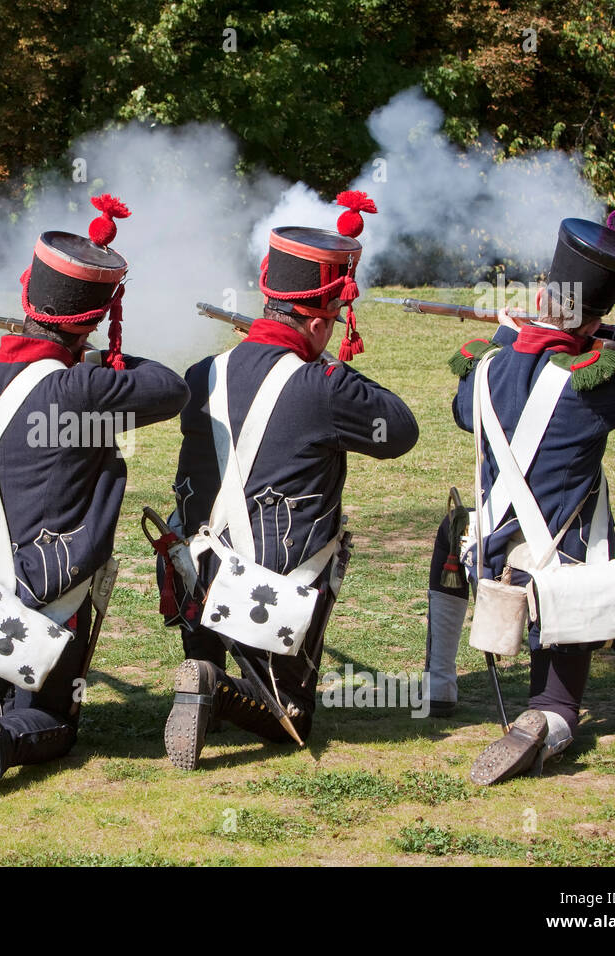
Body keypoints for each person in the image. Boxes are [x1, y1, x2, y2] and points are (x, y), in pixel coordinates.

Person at [422, 212, 615, 784]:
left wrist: (512, 332)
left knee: (453, 527)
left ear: (544, 293)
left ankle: (437, 682)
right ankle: (547, 720)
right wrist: (600, 332)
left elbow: (460, 411)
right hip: (558, 578)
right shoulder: (588, 385)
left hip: (488, 561)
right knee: (560, 692)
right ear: (595, 314)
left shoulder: (486, 372)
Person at [0, 196, 189, 801]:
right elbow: (168, 387)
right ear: (95, 317)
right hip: (44, 584)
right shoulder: (81, 388)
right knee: (57, 721)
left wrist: (82, 355)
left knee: (19, 677)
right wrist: (99, 359)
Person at [158, 193, 418, 768]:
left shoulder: (205, 373)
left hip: (196, 580)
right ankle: (209, 682)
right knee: (289, 715)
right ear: (322, 317)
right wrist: (328, 364)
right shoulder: (323, 385)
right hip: (272, 589)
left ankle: (203, 662)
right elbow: (400, 430)